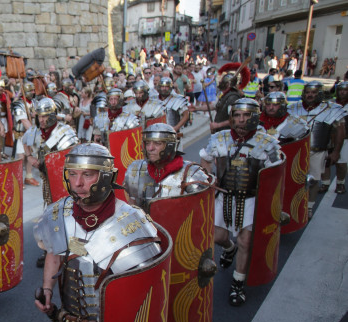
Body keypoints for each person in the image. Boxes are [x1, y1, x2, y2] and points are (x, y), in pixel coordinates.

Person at [33, 143, 163, 322]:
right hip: (72, 320)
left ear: (105, 177)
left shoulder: (130, 221)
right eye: (73, 174)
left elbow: (145, 289)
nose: (77, 184)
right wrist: (47, 290)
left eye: (88, 175)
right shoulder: (60, 212)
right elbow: (54, 251)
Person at [200, 98, 282, 306]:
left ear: (254, 116)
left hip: (251, 199)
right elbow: (206, 160)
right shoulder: (219, 138)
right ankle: (229, 248)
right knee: (217, 236)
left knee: (246, 241)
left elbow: (275, 176)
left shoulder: (267, 143)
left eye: (246, 115)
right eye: (237, 115)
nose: (241, 120)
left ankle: (238, 284)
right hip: (224, 197)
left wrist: (272, 207)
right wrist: (208, 180)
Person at [31, 97, 79, 268]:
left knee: (69, 212)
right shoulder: (39, 133)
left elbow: (73, 157)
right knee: (50, 213)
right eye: (40, 116)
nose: (42, 120)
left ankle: (72, 247)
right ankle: (51, 249)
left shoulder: (65, 132)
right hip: (47, 181)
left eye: (45, 116)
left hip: (65, 182)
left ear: (53, 115)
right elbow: (34, 153)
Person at [288, 82, 347, 211]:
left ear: (320, 94)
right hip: (296, 150)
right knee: (292, 180)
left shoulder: (331, 108)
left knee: (313, 180)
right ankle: (292, 206)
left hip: (317, 150)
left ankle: (309, 207)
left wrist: (336, 151)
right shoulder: (293, 108)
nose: (310, 95)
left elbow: (340, 131)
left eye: (314, 92)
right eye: (308, 92)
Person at [124, 123, 210, 210]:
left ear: (170, 146)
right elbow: (133, 207)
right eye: (147, 143)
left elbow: (201, 213)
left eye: (157, 143)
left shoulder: (191, 174)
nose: (150, 148)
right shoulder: (135, 170)